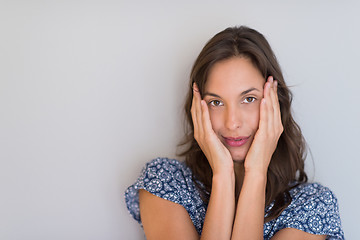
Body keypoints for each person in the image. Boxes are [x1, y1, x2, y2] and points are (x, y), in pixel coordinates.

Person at [125, 26, 344, 239]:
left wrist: (256, 172)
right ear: (197, 108)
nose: (232, 122)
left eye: (249, 99)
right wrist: (223, 176)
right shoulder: (165, 181)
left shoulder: (311, 205)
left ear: (275, 104)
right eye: (216, 102)